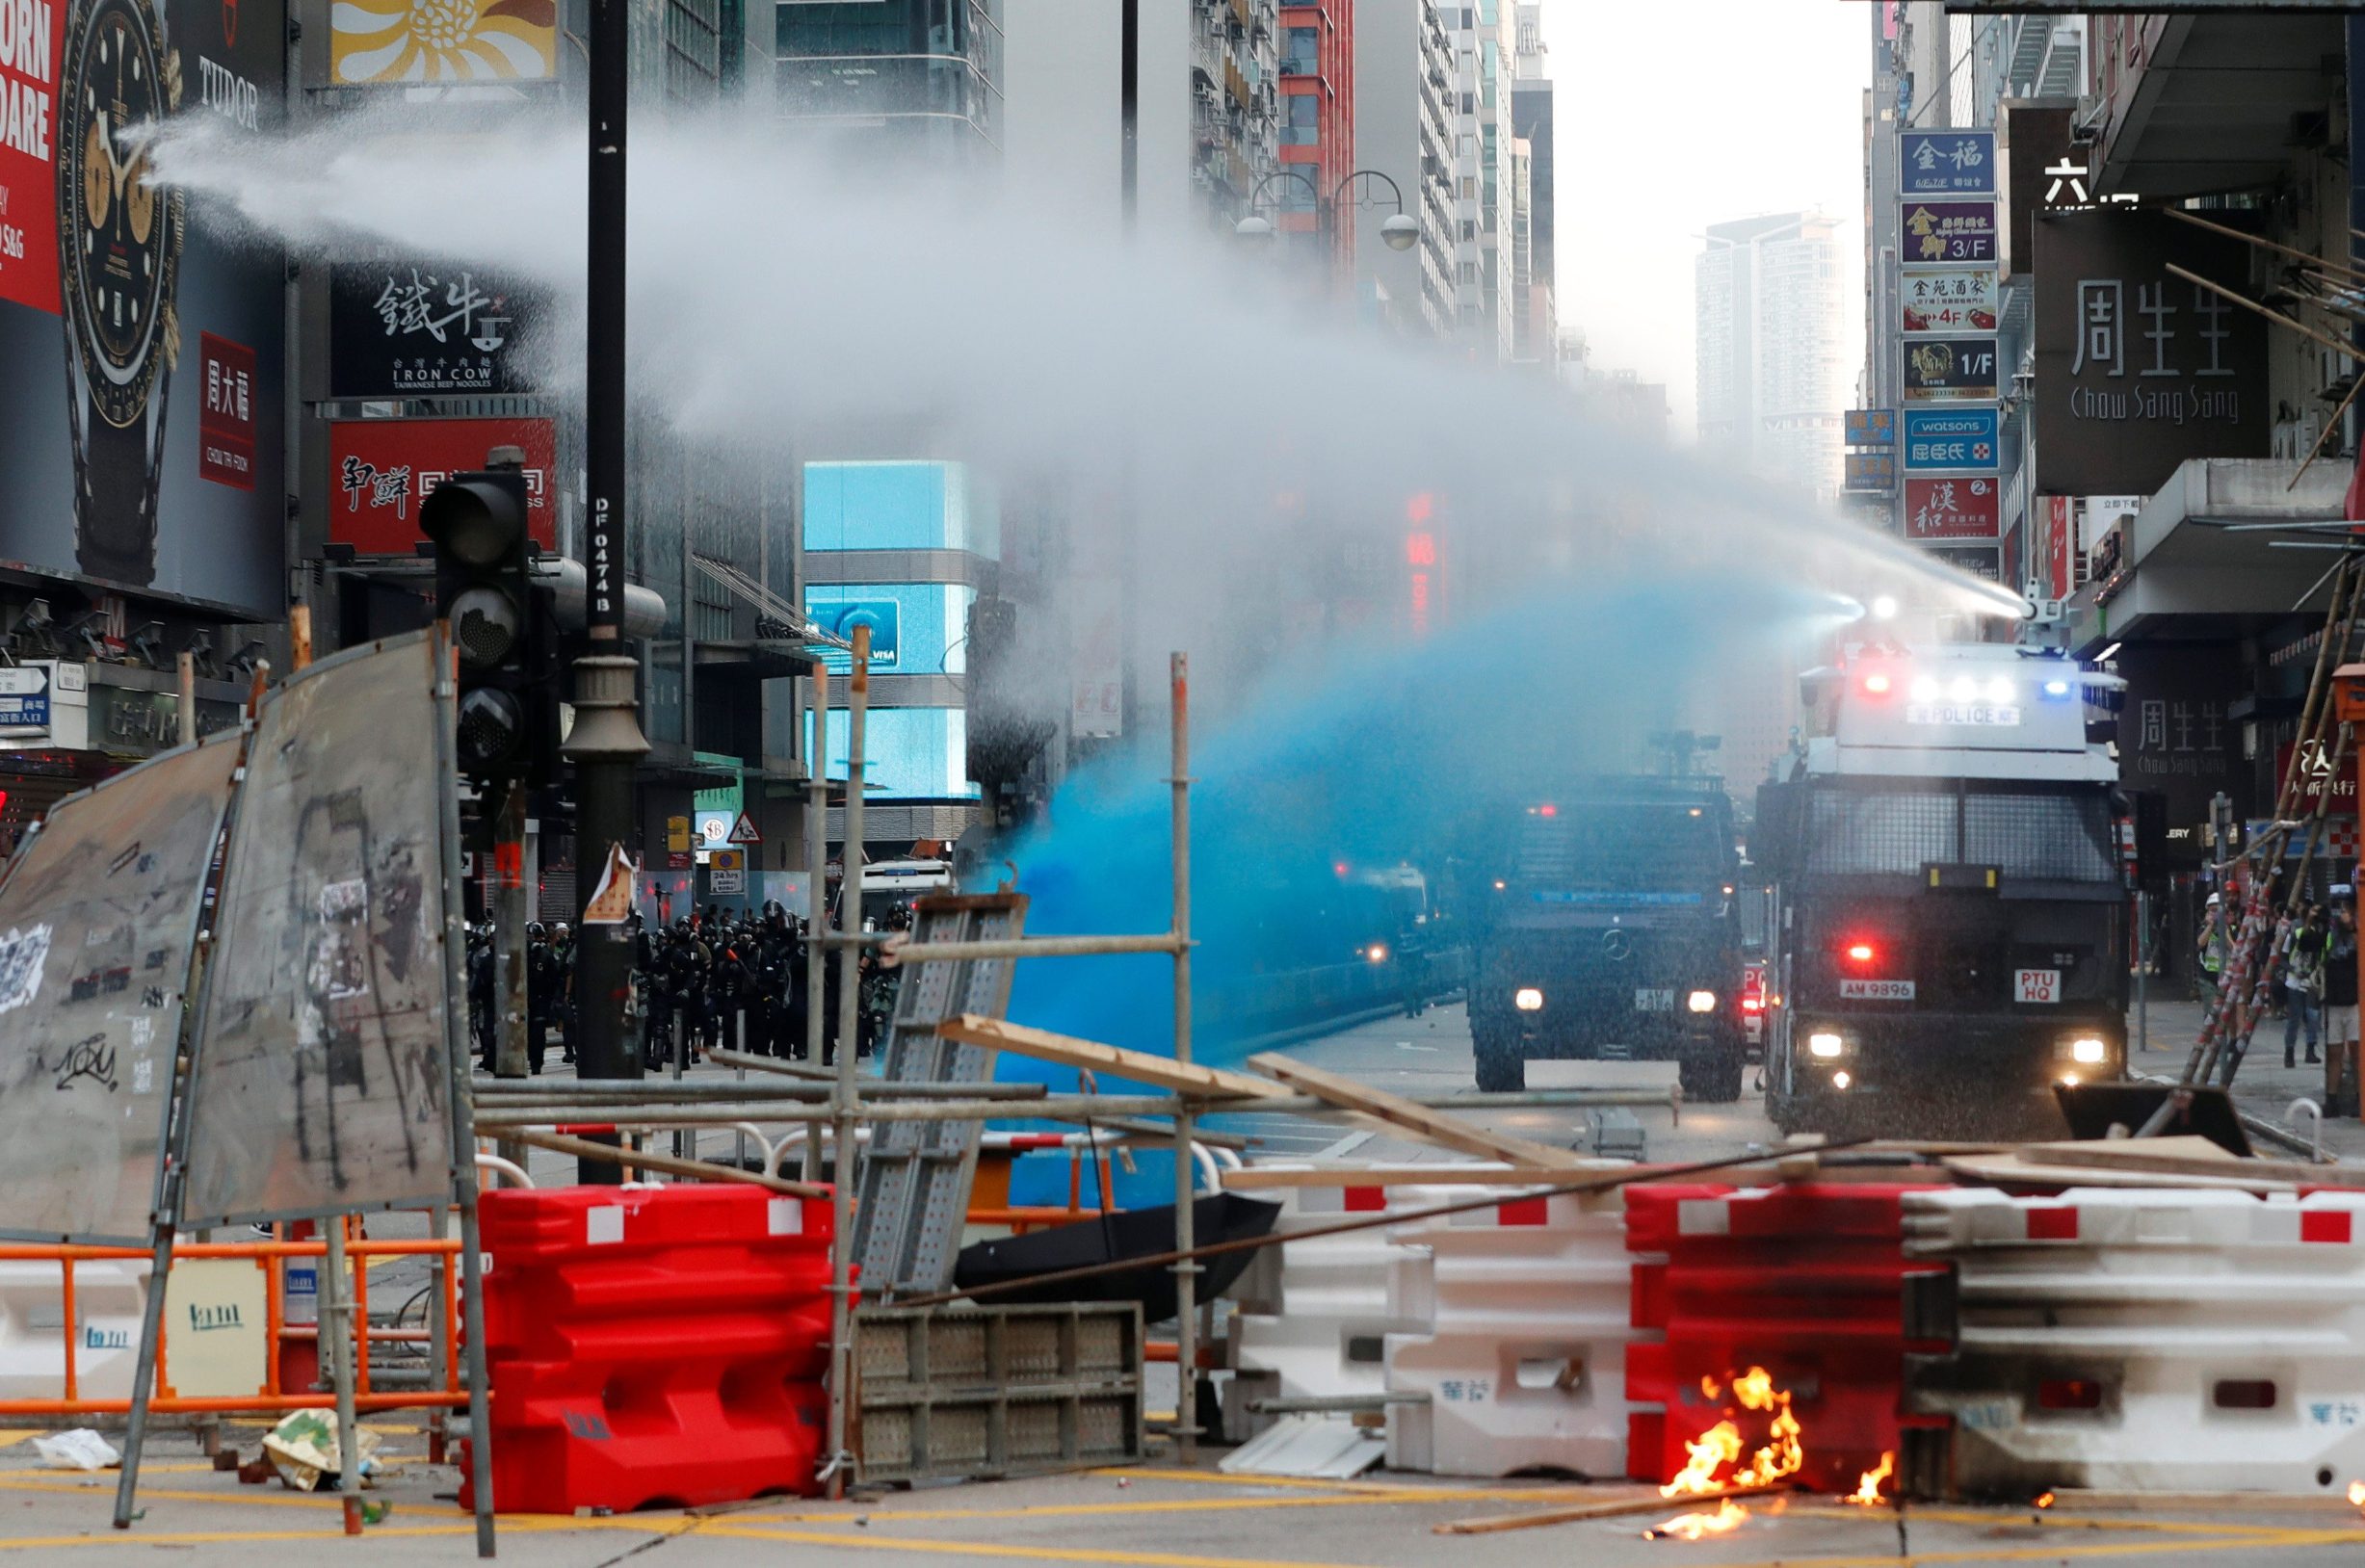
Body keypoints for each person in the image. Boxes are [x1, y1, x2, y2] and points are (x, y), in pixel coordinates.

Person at [2284, 904, 2328, 1069]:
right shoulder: (2295, 934)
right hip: (2295, 982)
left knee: (2312, 1016)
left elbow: (2322, 954)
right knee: (2294, 1019)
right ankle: (2289, 1052)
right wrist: (2293, 969)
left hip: (2310, 981)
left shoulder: (2321, 934)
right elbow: (2283, 958)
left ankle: (2310, 1049)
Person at [2325, 890, 2359, 1089]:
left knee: (2356, 1052)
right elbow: (2308, 945)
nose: (2341, 911)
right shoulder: (2330, 930)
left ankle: (2359, 1097)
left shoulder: (2357, 928)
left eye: (2345, 906)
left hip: (2354, 999)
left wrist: (2352, 927)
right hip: (2334, 999)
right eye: (2338, 906)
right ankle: (2332, 1099)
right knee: (2334, 1052)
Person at [522, 921, 556, 1075]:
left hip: (540, 1000)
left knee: (537, 1033)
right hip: (524, 1000)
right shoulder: (522, 955)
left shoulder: (545, 955)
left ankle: (536, 1062)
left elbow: (554, 978)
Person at [2197, 892, 2229, 1003]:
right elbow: (2201, 943)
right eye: (2212, 910)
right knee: (2212, 1011)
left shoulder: (2231, 928)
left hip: (2227, 977)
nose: (2215, 914)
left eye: (2218, 910)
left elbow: (2235, 949)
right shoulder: (2203, 927)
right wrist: (2210, 926)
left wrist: (2224, 932)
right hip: (2207, 977)